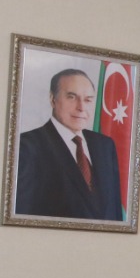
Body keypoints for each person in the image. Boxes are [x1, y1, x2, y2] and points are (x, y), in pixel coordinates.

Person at [14, 68, 123, 220]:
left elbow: (115, 211)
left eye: (88, 100)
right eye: (71, 97)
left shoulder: (105, 145)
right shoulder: (26, 146)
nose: (81, 107)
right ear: (53, 99)